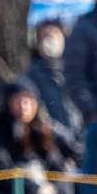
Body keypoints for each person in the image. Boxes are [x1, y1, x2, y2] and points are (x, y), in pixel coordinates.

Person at [0, 80, 72, 194]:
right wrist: (33, 190)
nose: (23, 106)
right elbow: (1, 167)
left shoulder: (42, 129)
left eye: (28, 100)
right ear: (8, 101)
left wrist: (55, 189)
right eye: (18, 100)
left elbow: (57, 167)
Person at [23, 19, 82, 160]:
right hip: (50, 150)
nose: (50, 39)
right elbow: (40, 116)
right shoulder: (30, 77)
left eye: (55, 33)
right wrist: (66, 141)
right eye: (45, 35)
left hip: (83, 145)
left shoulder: (77, 71)